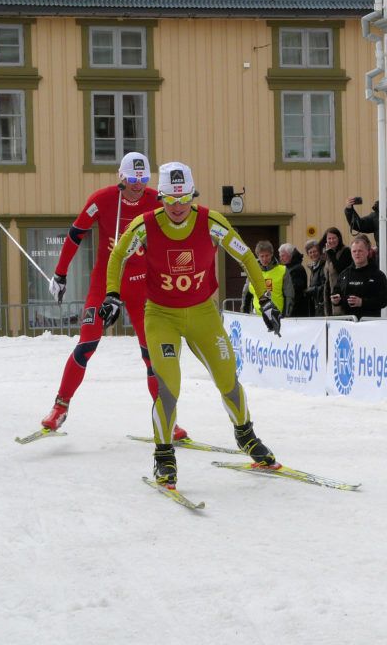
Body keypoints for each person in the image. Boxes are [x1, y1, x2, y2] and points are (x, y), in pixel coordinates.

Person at [102, 161, 282, 487]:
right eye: (171, 200)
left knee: (227, 377)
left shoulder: (211, 221)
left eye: (184, 199)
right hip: (162, 316)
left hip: (202, 314)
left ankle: (246, 436)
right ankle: (164, 455)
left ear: (193, 196)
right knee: (169, 386)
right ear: (161, 198)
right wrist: (112, 294)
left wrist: (265, 300)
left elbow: (245, 256)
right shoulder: (145, 225)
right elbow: (117, 256)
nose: (178, 208)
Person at [40, 152, 186, 441]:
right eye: (132, 178)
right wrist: (60, 274)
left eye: (143, 179)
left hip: (142, 284)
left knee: (152, 355)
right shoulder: (103, 199)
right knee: (87, 344)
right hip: (106, 283)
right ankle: (60, 406)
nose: (138, 185)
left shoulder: (157, 200)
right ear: (121, 177)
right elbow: (75, 234)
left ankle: (168, 419)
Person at [330, 234, 387, 320]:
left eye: (360, 251)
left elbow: (384, 301)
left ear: (367, 252)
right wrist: (335, 300)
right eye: (354, 251)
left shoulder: (378, 275)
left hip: (369, 322)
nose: (357, 254)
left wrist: (362, 302)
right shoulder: (344, 274)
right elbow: (336, 292)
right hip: (348, 322)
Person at [242, 240, 286, 315]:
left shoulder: (282, 270)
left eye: (267, 255)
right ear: (258, 256)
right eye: (262, 256)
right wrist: (244, 313)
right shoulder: (252, 271)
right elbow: (246, 294)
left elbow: (288, 295)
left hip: (277, 315)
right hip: (257, 315)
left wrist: (286, 314)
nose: (264, 259)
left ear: (271, 254)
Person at [319, 226, 352, 316]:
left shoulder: (346, 251)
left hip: (342, 294)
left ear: (339, 238)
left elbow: (340, 269)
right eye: (329, 238)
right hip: (329, 294)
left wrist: (330, 253)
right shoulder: (328, 255)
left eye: (334, 238)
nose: (331, 240)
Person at [278, 242, 308, 317]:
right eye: (280, 256)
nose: (281, 258)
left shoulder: (297, 269)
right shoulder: (286, 268)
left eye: (283, 256)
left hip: (296, 309)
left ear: (290, 255)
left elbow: (295, 289)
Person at [304, 239, 326, 316]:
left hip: (324, 305)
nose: (313, 254)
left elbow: (326, 286)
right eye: (310, 252)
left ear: (319, 251)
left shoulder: (324, 266)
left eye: (315, 251)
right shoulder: (313, 267)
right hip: (316, 305)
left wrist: (311, 290)